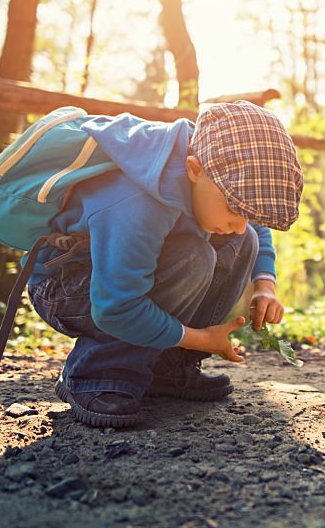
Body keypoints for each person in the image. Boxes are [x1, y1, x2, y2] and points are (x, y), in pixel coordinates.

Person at [26, 101, 304, 428]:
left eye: (248, 211)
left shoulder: (207, 168)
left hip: (117, 284)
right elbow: (116, 307)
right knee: (193, 257)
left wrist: (265, 286)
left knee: (242, 241)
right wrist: (201, 338)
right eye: (235, 206)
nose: (241, 221)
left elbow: (252, 226)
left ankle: (167, 367)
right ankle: (95, 374)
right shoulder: (140, 203)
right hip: (66, 288)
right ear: (194, 169)